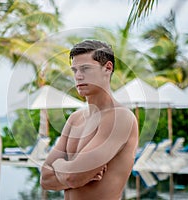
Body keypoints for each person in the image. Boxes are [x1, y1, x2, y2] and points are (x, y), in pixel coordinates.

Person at [40, 40, 139, 200]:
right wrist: (72, 170)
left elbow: (73, 177)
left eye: (85, 69)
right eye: (75, 70)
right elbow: (45, 179)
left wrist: (59, 166)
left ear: (108, 68)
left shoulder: (120, 118)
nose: (78, 76)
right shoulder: (75, 119)